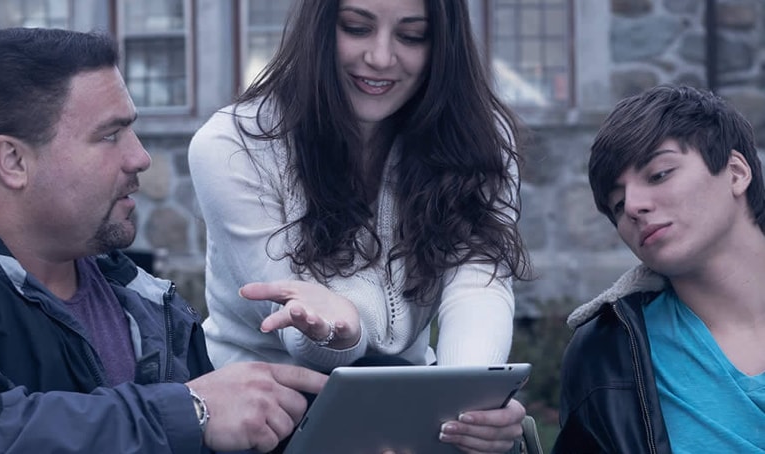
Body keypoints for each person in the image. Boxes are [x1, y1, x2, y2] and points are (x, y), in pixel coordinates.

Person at [0, 27, 328, 454]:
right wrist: (192, 409)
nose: (140, 158)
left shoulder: (148, 305)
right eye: (110, 135)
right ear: (13, 160)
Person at [189, 0, 530, 451]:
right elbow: (298, 332)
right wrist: (339, 329)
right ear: (319, 26)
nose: (380, 58)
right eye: (356, 27)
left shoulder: (481, 138)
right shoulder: (232, 146)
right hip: (269, 412)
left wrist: (464, 409)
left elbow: (479, 283)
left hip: (407, 398)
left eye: (412, 36)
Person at [552, 85, 765, 453]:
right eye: (617, 205)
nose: (633, 206)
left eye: (659, 174)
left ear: (735, 172)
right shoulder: (605, 353)